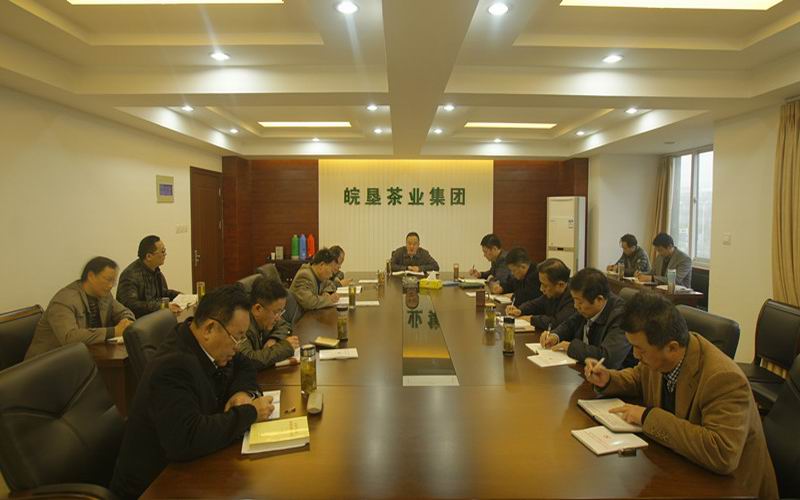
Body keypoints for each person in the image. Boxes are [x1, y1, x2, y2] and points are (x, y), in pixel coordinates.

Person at [584, 293, 778, 500]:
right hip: (682, 465)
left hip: (732, 487)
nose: (635, 355)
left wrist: (647, 417)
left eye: (640, 350)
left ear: (672, 347)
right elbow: (639, 378)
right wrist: (608, 379)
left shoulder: (724, 378)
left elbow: (722, 452)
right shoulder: (659, 355)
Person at [110, 285, 274, 499]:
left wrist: (241, 393)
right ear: (209, 329)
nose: (238, 347)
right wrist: (249, 413)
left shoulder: (199, 341)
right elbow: (187, 439)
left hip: (189, 470)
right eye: (237, 337)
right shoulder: (172, 367)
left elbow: (245, 365)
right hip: (155, 486)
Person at [25, 256, 135, 359]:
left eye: (113, 281)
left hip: (83, 357)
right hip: (45, 363)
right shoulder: (65, 300)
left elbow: (124, 311)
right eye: (108, 279)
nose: (111, 285)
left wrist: (126, 322)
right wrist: (112, 332)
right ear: (91, 276)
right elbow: (69, 338)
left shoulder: (104, 295)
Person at [541, 267, 635, 369]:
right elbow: (570, 324)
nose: (576, 306)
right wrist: (555, 335)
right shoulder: (587, 308)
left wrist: (571, 347)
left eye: (580, 302)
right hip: (586, 369)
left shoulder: (621, 316)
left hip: (613, 376)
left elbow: (608, 358)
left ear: (599, 299)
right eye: (574, 300)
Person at [240, 277, 300, 370]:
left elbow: (284, 325)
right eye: (276, 312)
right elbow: (248, 361)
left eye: (281, 311)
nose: (278, 317)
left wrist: (273, 339)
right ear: (258, 309)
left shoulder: (268, 317)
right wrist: (285, 347)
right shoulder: (241, 325)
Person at [117, 235, 181, 317]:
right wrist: (162, 306)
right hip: (138, 320)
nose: (165, 254)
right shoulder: (130, 275)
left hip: (154, 316)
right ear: (149, 256)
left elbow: (163, 293)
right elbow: (131, 305)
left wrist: (182, 296)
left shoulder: (155, 270)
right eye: (162, 251)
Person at [506, 258, 574, 331]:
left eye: (545, 285)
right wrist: (520, 310)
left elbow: (557, 322)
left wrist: (532, 319)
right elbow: (535, 304)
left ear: (561, 285)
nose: (541, 289)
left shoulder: (573, 297)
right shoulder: (551, 294)